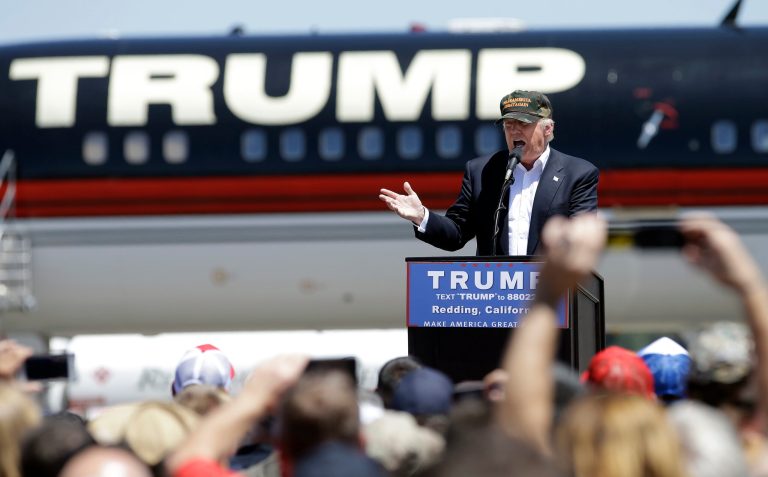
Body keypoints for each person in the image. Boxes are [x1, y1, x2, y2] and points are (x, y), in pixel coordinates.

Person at [379, 90, 599, 256]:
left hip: (549, 294)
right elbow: (457, 234)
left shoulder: (577, 174)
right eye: (508, 124)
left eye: (523, 123)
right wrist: (422, 216)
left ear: (547, 128)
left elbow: (582, 239)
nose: (514, 131)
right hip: (495, 301)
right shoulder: (482, 171)